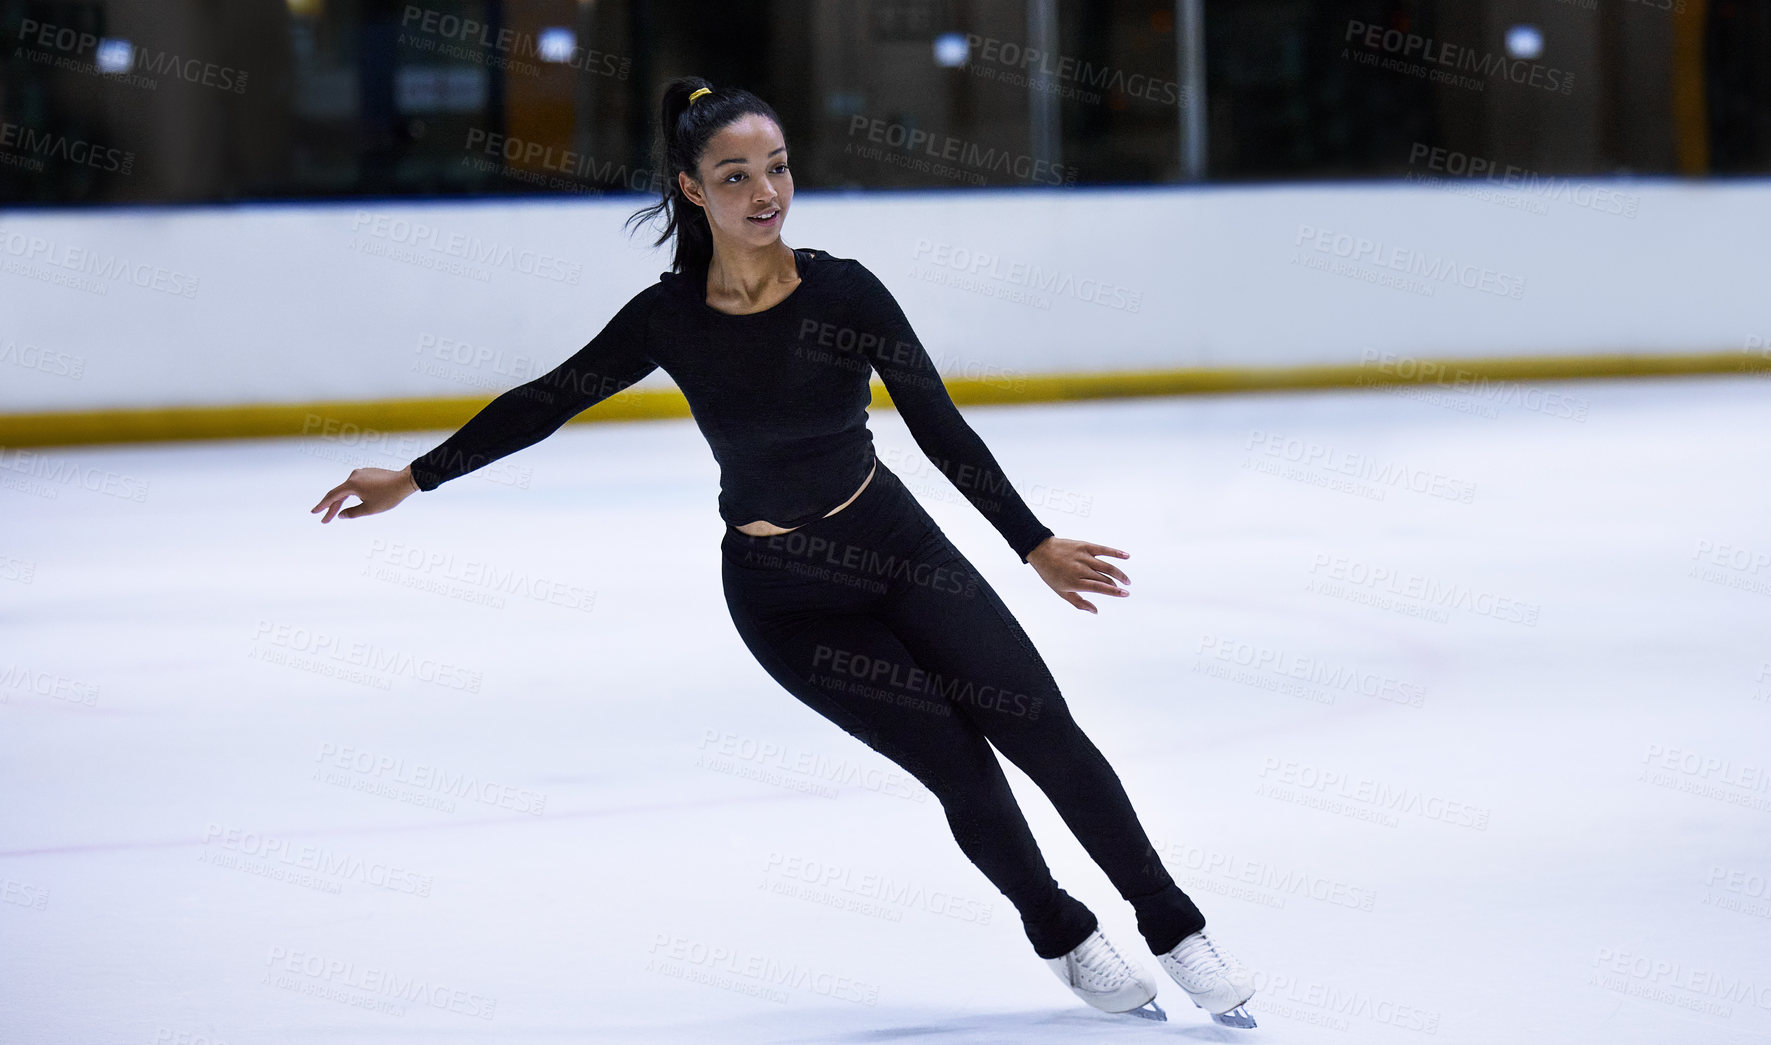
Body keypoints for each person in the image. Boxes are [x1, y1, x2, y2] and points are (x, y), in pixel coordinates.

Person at [310, 77, 1256, 1028]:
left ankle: (1175, 926)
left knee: (1043, 731)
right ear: (691, 189)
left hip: (896, 544)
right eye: (735, 175)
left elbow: (940, 428)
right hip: (785, 599)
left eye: (777, 167)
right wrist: (416, 476)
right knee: (962, 772)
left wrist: (1032, 542)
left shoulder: (846, 289)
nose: (765, 191)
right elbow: (546, 398)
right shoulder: (667, 317)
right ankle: (1059, 932)